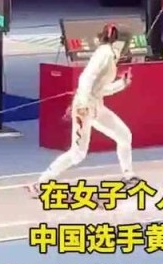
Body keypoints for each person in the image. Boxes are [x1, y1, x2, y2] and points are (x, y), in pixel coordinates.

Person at [29, 24, 137, 197]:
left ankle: (128, 176)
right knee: (77, 154)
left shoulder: (110, 55)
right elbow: (86, 78)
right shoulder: (104, 54)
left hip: (96, 106)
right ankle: (41, 183)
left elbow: (100, 89)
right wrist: (84, 104)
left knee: (124, 135)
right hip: (84, 108)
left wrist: (122, 84)